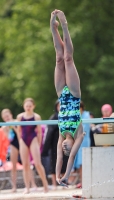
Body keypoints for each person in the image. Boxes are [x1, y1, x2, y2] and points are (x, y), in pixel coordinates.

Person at [50, 9, 84, 187]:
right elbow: (70, 159)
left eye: (64, 149)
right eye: (67, 149)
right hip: (73, 93)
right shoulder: (79, 134)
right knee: (68, 59)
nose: (64, 148)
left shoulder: (61, 137)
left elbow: (59, 159)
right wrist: (67, 175)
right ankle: (64, 26)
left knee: (58, 59)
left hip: (61, 95)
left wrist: (58, 176)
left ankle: (53, 29)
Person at [1, 108, 37, 193]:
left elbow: (20, 135)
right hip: (13, 144)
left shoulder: (17, 121)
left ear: (11, 115)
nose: (7, 118)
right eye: (5, 117)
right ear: (3, 118)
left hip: (22, 142)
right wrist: (6, 130)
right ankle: (14, 187)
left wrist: (13, 126)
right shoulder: (4, 127)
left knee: (27, 164)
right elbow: (8, 139)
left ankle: (33, 184)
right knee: (13, 166)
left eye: (8, 116)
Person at [17, 98, 48, 193]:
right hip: (23, 140)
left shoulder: (36, 117)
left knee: (38, 164)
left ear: (33, 106)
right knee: (25, 165)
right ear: (24, 106)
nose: (28, 108)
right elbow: (19, 131)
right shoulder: (20, 117)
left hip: (33, 139)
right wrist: (20, 142)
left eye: (30, 106)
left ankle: (45, 185)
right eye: (27, 106)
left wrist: (39, 143)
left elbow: (39, 132)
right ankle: (27, 187)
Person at [41, 100, 68, 189]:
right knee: (54, 162)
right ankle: (54, 183)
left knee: (65, 162)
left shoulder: (68, 117)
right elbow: (49, 133)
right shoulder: (53, 118)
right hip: (54, 143)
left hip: (65, 142)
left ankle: (64, 182)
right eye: (59, 105)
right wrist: (46, 148)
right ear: (56, 107)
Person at [73, 101, 91, 188]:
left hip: (84, 142)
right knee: (79, 164)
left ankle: (85, 182)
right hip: (77, 142)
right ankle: (82, 181)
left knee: (83, 163)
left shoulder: (86, 116)